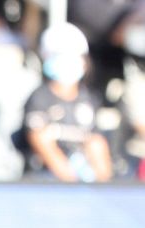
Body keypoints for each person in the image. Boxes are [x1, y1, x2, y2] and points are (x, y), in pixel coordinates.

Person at [22, 23, 113, 182]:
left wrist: (102, 184)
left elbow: (97, 142)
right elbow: (39, 140)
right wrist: (70, 182)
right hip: (47, 178)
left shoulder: (89, 99)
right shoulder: (40, 98)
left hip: (85, 177)